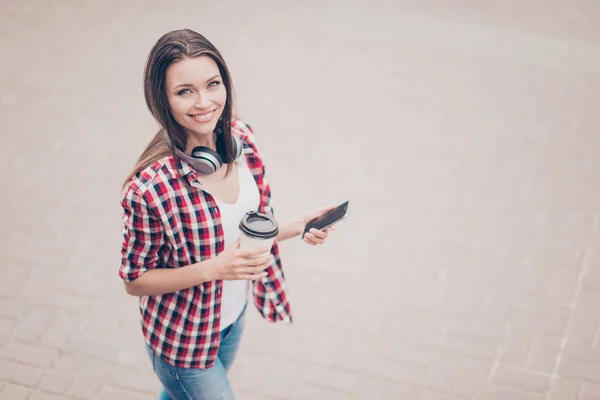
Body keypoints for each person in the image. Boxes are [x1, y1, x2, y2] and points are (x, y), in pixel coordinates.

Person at [118, 29, 336, 400]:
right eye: (185, 91)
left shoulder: (242, 139)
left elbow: (251, 228)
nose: (204, 102)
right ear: (162, 99)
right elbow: (134, 280)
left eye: (212, 84)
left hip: (231, 319)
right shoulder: (150, 190)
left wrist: (301, 225)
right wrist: (214, 269)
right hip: (183, 342)